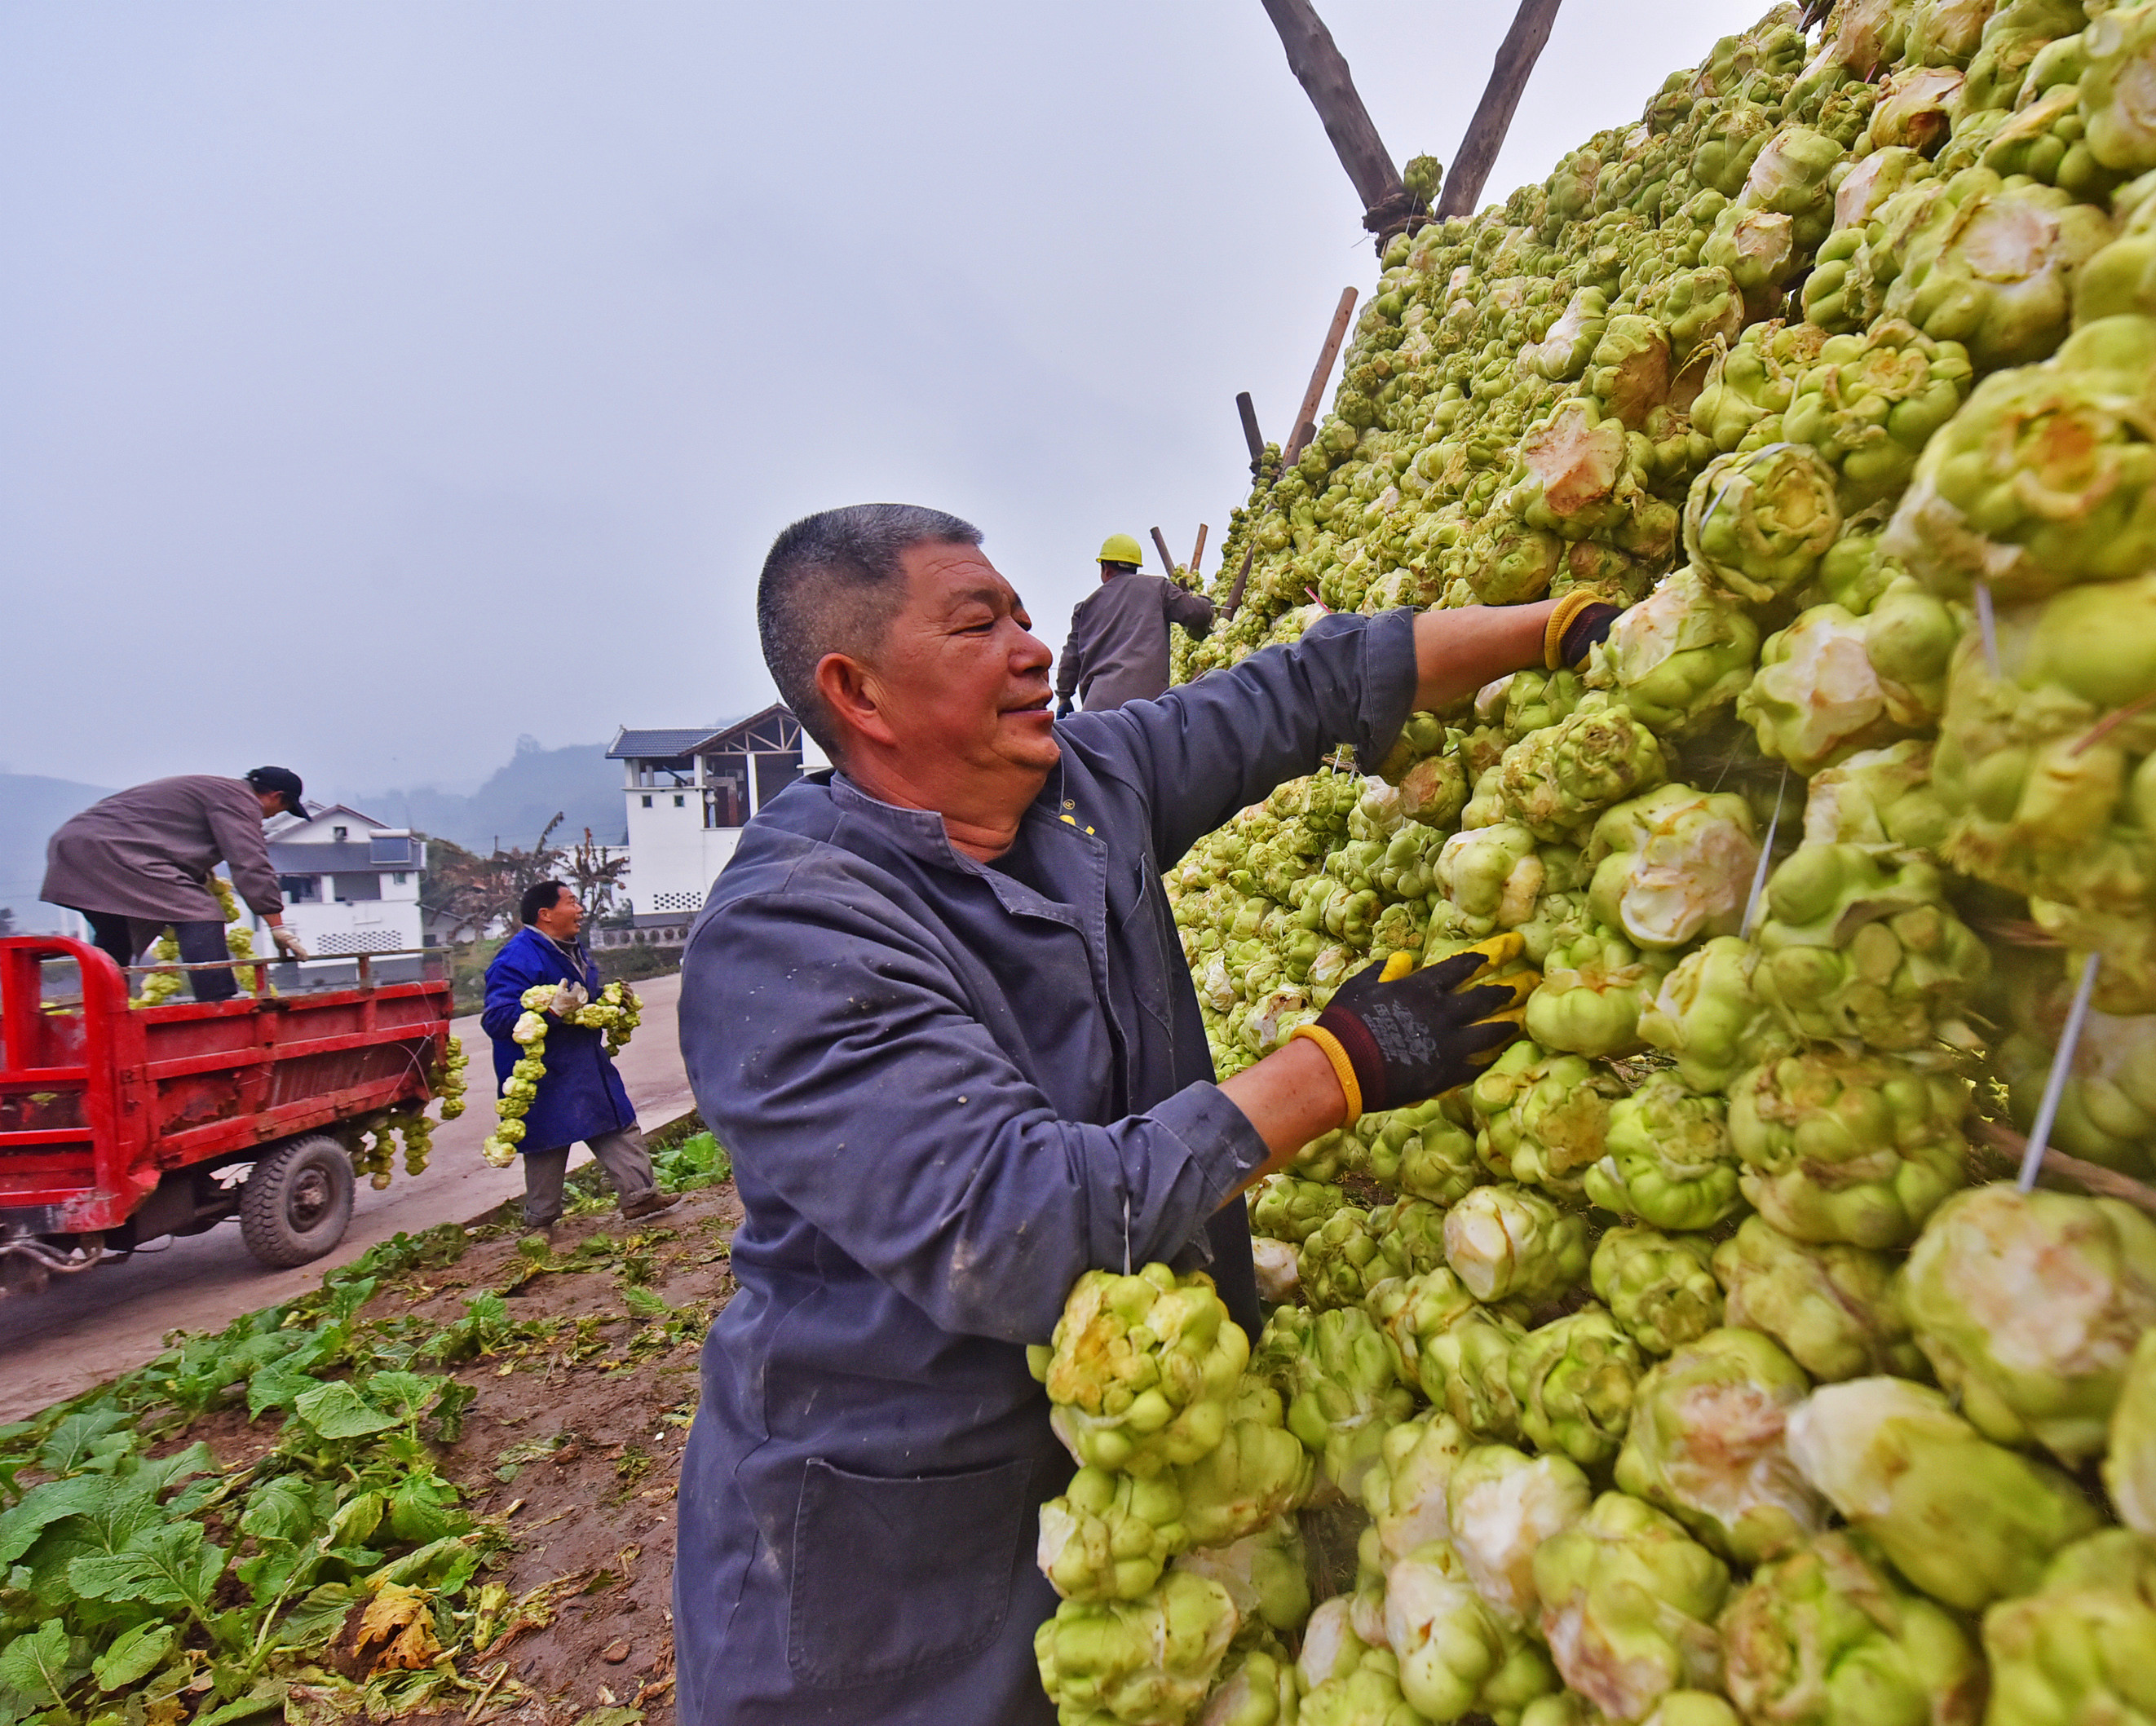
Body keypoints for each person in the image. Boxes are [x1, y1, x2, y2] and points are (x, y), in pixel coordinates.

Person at [670, 501, 1621, 1724]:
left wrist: (1556, 628)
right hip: (896, 1515)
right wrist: (1335, 1066)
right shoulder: (793, 929)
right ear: (859, 692)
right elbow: (1016, 1224)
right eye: (979, 624)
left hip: (1125, 1456)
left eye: (1023, 614)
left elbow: (1305, 688)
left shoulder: (1082, 786)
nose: (1030, 647)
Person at [480, 881, 678, 1234]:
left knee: (616, 1123)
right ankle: (540, 1222)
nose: (580, 909)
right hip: (546, 1071)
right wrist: (551, 1012)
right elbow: (496, 1018)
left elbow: (580, 996)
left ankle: (641, 1197)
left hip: (584, 1061)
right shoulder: (516, 957)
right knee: (548, 1143)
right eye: (571, 902)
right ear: (545, 914)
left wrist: (608, 998)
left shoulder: (569, 948)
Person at [41, 766, 315, 1002]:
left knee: (117, 933)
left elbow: (168, 840)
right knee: (199, 912)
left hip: (73, 845)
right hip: (112, 850)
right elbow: (249, 862)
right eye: (284, 809)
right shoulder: (240, 800)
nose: (271, 817)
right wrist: (278, 927)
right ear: (276, 796)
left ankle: (106, 1007)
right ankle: (218, 1002)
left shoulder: (211, 789)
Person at [1053, 532, 1217, 715]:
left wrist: (1064, 697)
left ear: (1105, 568)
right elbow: (1195, 612)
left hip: (1098, 712)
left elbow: (1070, 659)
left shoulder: (1084, 609)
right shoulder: (1158, 588)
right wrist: (1207, 603)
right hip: (1147, 711)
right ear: (1134, 568)